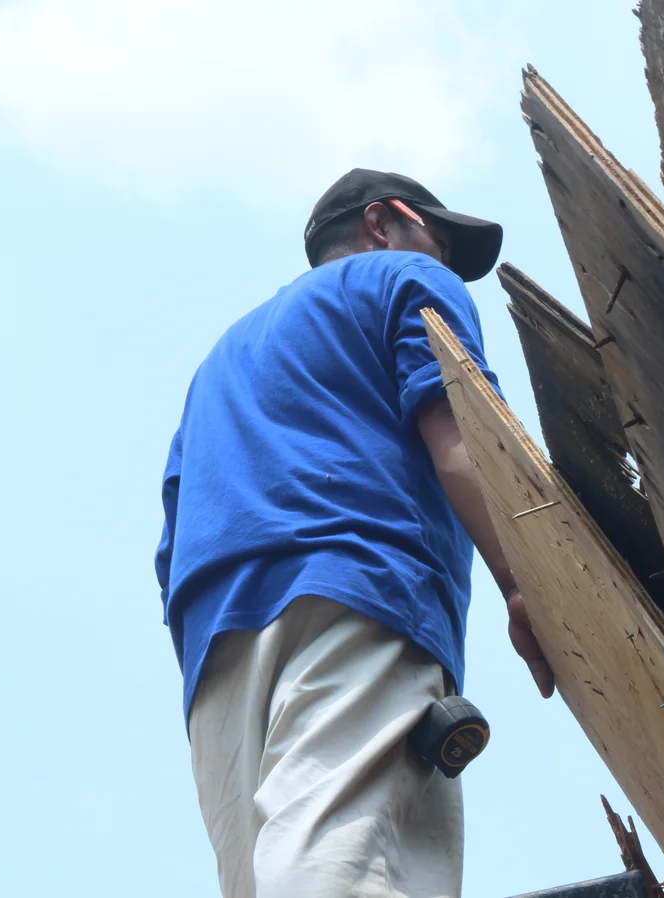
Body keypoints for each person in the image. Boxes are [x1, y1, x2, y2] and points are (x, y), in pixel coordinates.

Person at [155, 169, 554, 898]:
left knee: (269, 876)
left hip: (216, 647)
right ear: (384, 222)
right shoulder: (402, 276)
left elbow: (172, 536)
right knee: (344, 862)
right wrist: (525, 582)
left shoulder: (220, 363)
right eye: (437, 239)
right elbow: (463, 435)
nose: (441, 262)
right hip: (361, 586)